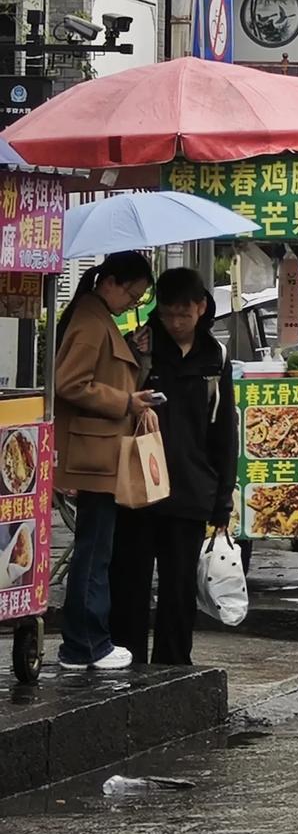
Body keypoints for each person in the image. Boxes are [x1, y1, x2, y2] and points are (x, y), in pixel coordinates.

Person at [109, 267, 238, 670]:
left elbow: (224, 432)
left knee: (179, 590)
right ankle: (128, 664)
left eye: (183, 314)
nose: (176, 323)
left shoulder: (215, 358)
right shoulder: (141, 349)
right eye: (167, 314)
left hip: (191, 490)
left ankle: (173, 667)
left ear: (200, 308)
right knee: (129, 585)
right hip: (140, 490)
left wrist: (222, 502)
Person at [53, 251, 160, 671]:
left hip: (98, 449)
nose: (131, 305)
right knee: (94, 550)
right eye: (131, 296)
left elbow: (100, 376)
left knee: (95, 548)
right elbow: (70, 383)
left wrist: (134, 355)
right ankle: (85, 645)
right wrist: (125, 401)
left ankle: (84, 644)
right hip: (91, 452)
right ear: (110, 282)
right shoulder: (90, 320)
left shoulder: (98, 319)